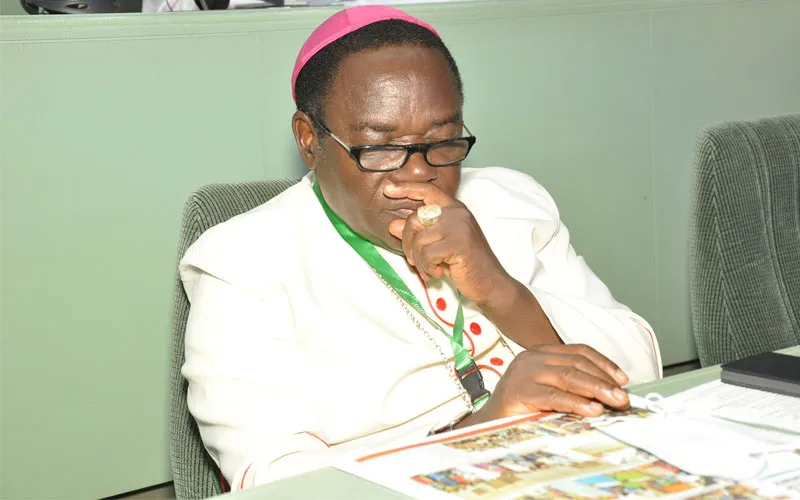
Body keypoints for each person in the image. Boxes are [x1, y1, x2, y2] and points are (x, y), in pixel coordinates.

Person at [179, 5, 662, 491]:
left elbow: (643, 371)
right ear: (309, 140)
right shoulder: (239, 264)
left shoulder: (511, 200)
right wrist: (481, 430)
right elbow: (275, 481)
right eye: (380, 148)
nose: (419, 173)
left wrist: (500, 291)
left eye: (442, 141)